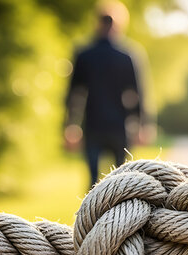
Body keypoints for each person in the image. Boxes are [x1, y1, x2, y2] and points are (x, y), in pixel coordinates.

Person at [64, 2, 154, 188]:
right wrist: (143, 125)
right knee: (121, 181)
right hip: (120, 126)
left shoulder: (84, 54)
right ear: (119, 25)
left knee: (92, 182)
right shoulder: (128, 55)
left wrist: (69, 125)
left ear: (97, 23)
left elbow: (74, 95)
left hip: (93, 125)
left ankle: (91, 216)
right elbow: (140, 94)